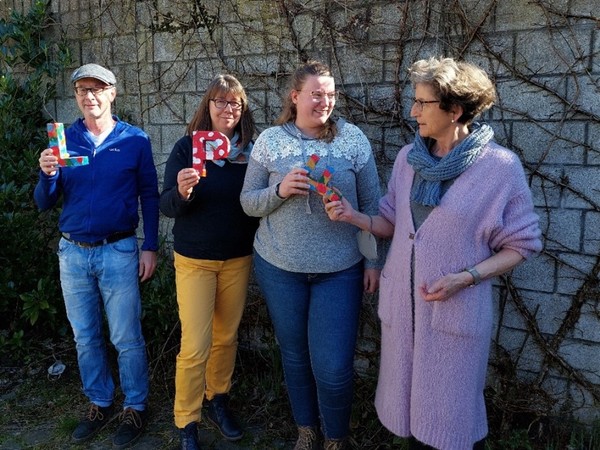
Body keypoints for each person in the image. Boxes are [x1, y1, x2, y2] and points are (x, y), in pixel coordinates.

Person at [325, 56, 542, 449]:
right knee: (407, 425)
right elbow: (392, 222)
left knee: (449, 425)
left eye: (423, 103)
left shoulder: (499, 168)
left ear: (455, 110)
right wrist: (354, 216)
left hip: (454, 315)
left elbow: (522, 245)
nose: (413, 111)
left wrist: (467, 277)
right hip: (402, 313)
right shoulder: (411, 159)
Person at [240, 60, 382, 450]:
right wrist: (280, 190)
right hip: (279, 266)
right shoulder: (270, 141)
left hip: (340, 269)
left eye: (331, 94)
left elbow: (374, 206)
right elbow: (248, 203)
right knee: (295, 355)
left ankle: (336, 437)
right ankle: (306, 430)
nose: (325, 101)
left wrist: (372, 261)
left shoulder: (352, 139)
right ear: (296, 96)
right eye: (317, 93)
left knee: (334, 368)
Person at [34, 63, 159, 448]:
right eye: (81, 90)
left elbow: (150, 195)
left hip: (119, 250)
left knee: (125, 336)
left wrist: (150, 245)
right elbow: (43, 202)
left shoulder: (134, 140)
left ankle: (135, 406)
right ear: (76, 97)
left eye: (96, 88)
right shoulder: (64, 141)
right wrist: (48, 174)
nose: (88, 95)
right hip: (72, 254)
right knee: (85, 337)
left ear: (112, 93)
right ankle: (100, 401)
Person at [159, 74, 259, 450]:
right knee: (195, 344)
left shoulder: (250, 152)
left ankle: (218, 399)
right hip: (195, 260)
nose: (228, 109)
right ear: (208, 106)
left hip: (237, 257)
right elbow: (166, 204)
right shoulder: (187, 149)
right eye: (220, 101)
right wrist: (183, 193)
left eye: (235, 103)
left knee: (226, 338)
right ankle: (187, 420)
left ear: (242, 109)